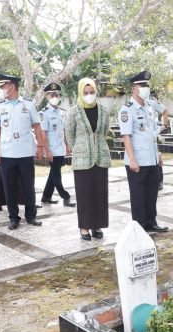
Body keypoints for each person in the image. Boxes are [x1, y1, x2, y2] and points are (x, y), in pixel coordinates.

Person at [0, 72, 51, 230]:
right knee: (9, 187)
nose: (1, 89)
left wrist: (40, 146)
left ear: (11, 87)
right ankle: (13, 218)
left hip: (25, 152)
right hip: (7, 152)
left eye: (3, 86)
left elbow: (37, 125)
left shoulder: (28, 104)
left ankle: (31, 216)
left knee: (28, 186)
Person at [118, 70, 168, 233]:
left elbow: (152, 134)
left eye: (147, 85)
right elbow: (126, 136)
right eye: (142, 85)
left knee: (152, 192)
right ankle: (139, 226)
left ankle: (151, 222)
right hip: (137, 159)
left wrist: (158, 155)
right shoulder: (127, 109)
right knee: (138, 195)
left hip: (151, 158)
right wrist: (132, 159)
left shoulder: (148, 107)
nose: (145, 88)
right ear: (134, 88)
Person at [66, 78, 111, 240]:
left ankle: (97, 225)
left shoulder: (104, 111)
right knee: (84, 194)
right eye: (85, 93)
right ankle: (84, 227)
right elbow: (69, 134)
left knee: (100, 193)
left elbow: (104, 131)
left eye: (92, 92)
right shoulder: (73, 111)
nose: (89, 95)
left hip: (101, 157)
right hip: (81, 160)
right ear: (80, 93)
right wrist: (79, 148)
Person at [39, 82, 76, 208]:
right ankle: (65, 196)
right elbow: (43, 134)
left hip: (60, 148)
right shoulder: (44, 113)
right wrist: (47, 151)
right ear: (46, 96)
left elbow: (63, 131)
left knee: (53, 173)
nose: (54, 97)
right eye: (51, 94)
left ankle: (46, 196)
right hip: (52, 149)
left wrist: (67, 145)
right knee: (56, 175)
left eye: (57, 94)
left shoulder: (61, 112)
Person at [147, 91, 169, 191]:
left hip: (153, 135)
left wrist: (164, 125)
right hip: (144, 136)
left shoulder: (151, 102)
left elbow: (165, 110)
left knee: (156, 158)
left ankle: (159, 181)